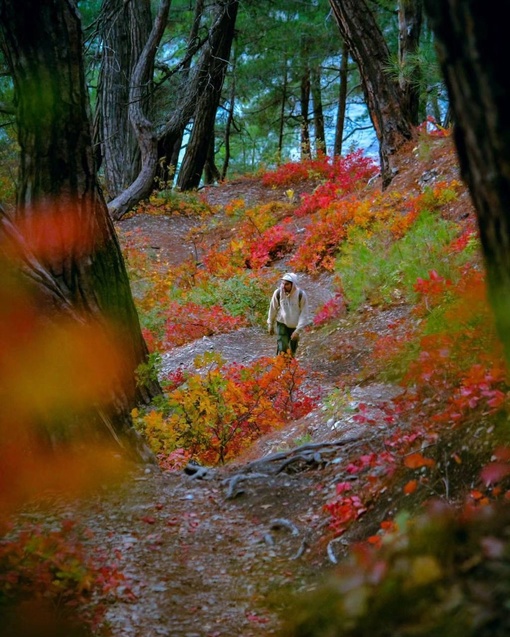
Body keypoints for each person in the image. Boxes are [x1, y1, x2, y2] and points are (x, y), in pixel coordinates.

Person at [267, 272, 310, 356]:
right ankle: (281, 364)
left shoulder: (301, 295)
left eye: (286, 284)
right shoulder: (278, 293)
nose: (283, 286)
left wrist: (298, 331)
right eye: (282, 283)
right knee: (283, 348)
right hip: (282, 323)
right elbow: (273, 308)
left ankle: (290, 366)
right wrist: (270, 324)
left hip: (295, 325)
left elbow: (304, 314)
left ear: (293, 285)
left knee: (292, 351)